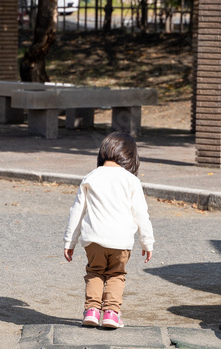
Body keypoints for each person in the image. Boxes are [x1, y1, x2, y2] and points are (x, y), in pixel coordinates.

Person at [63, 132, 154, 329]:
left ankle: (92, 310)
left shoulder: (90, 177)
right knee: (116, 274)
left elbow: (76, 211)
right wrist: (147, 242)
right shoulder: (131, 181)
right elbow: (141, 214)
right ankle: (111, 314)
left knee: (95, 271)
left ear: (103, 152)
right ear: (131, 157)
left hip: (93, 239)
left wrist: (69, 241)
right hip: (120, 240)